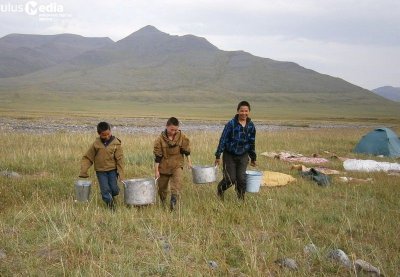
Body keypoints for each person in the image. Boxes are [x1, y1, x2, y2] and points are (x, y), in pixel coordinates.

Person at [215, 101, 257, 200]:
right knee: (230, 179)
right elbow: (223, 139)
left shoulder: (251, 126)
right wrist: (218, 155)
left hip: (243, 155)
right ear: (238, 111)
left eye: (246, 111)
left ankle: (240, 200)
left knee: (241, 179)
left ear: (249, 112)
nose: (244, 113)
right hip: (229, 155)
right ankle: (220, 189)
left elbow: (252, 143)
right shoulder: (231, 124)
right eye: (241, 111)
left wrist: (253, 158)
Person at [79, 122, 125, 210]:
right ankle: (111, 207)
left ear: (110, 131)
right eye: (104, 135)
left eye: (108, 134)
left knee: (114, 189)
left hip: (112, 170)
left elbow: (120, 160)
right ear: (99, 133)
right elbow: (88, 157)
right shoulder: (96, 144)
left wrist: (121, 175)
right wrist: (84, 170)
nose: (107, 137)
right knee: (105, 190)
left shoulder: (116, 144)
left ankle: (112, 197)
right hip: (101, 171)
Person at [153, 117, 192, 211]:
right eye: (171, 129)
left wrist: (189, 163)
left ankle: (173, 204)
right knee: (162, 188)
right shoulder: (159, 140)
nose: (173, 132)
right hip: (163, 166)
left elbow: (186, 152)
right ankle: (163, 203)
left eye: (176, 130)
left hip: (177, 164)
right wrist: (156, 171)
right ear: (166, 127)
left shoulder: (182, 137)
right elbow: (157, 157)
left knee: (176, 185)